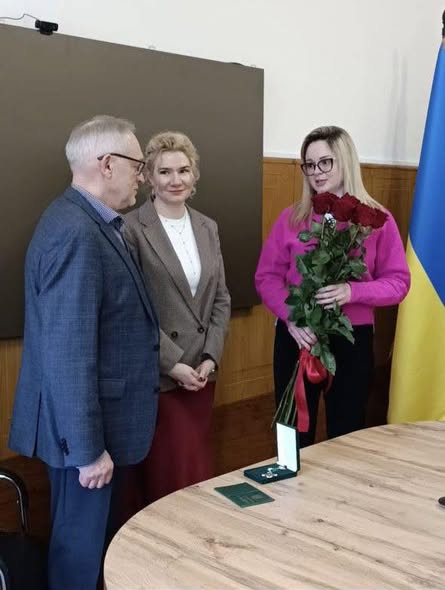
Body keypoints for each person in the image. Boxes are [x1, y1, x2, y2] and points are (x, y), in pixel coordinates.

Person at [8, 115, 160, 590]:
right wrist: (89, 452)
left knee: (95, 554)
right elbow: (67, 353)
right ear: (107, 164)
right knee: (80, 560)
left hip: (98, 431)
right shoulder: (75, 231)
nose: (142, 177)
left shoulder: (89, 222)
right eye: (138, 165)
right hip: (85, 441)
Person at [255, 125, 410, 447]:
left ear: (345, 161)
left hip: (351, 337)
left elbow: (398, 283)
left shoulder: (377, 220)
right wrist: (291, 317)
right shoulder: (292, 218)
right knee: (292, 430)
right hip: (298, 334)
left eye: (325, 162)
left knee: (347, 428)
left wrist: (353, 291)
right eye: (309, 165)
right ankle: (290, 476)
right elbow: (266, 277)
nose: (316, 172)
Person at [123, 130, 231, 510]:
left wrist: (210, 357)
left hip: (201, 375)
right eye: (165, 171)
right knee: (171, 479)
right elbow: (130, 312)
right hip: (161, 378)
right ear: (148, 177)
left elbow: (221, 298)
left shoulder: (207, 226)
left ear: (194, 174)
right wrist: (172, 364)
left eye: (183, 170)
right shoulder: (131, 229)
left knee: (194, 473)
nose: (175, 180)